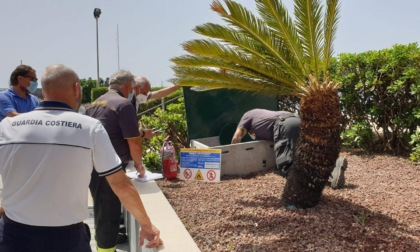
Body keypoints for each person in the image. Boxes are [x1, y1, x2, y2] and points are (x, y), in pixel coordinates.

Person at [0, 64, 162, 252]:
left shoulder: (7, 126)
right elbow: (120, 184)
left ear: (43, 90)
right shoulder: (89, 128)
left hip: (13, 235)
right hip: (66, 239)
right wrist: (147, 225)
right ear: (76, 88)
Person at [86, 70, 158, 251]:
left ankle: (104, 243)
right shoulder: (123, 104)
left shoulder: (94, 103)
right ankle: (106, 248)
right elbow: (133, 140)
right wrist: (140, 166)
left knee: (102, 209)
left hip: (92, 165)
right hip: (109, 167)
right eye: (133, 88)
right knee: (108, 212)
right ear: (128, 86)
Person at [231, 109, 347, 189]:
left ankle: (313, 184)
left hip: (284, 125)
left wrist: (231, 155)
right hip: (298, 120)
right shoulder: (261, 116)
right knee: (305, 155)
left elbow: (236, 137)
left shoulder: (246, 116)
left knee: (286, 167)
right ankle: (333, 165)